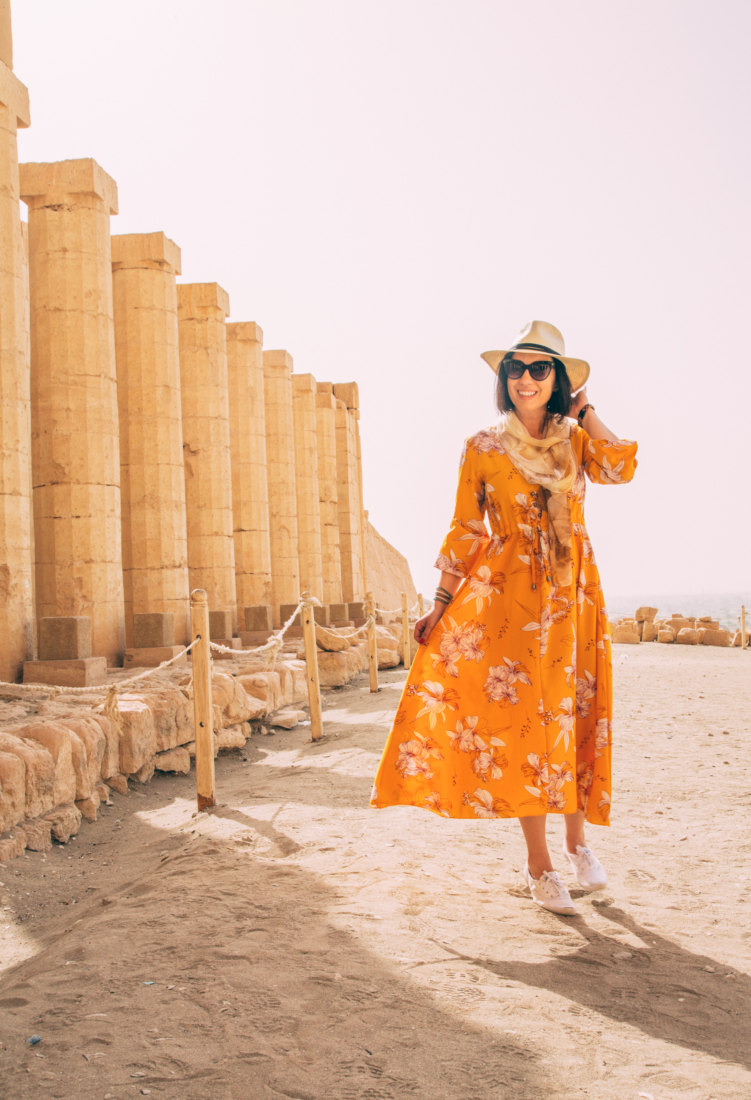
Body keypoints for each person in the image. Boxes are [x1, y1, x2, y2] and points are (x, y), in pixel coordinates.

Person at [370, 320, 638, 915]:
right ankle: (539, 865)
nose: (525, 378)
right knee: (527, 727)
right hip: (512, 600)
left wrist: (587, 410)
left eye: (540, 369)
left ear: (559, 380)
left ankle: (578, 843)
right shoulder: (483, 447)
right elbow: (467, 529)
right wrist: (439, 603)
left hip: (573, 597)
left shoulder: (575, 440)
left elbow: (620, 467)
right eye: (515, 368)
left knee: (574, 713)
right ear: (504, 378)